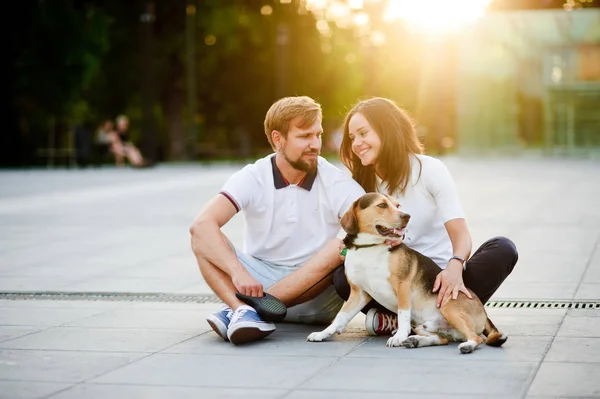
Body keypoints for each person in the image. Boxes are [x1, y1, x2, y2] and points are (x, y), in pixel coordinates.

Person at [334, 97, 519, 336]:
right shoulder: (362, 185)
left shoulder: (429, 169)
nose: (356, 143)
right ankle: (406, 320)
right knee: (341, 277)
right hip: (395, 281)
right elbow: (352, 238)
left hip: (441, 280)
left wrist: (455, 266)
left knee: (503, 248)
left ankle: (436, 317)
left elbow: (461, 234)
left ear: (386, 132)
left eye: (363, 133)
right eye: (352, 138)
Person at [190, 96, 365, 345]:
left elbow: (368, 226)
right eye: (304, 136)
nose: (315, 144)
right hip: (257, 282)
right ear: (277, 139)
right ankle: (244, 311)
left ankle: (243, 309)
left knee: (343, 244)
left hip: (316, 296)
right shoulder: (253, 176)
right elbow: (202, 225)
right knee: (202, 237)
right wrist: (239, 273)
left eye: (318, 135)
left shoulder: (335, 181)